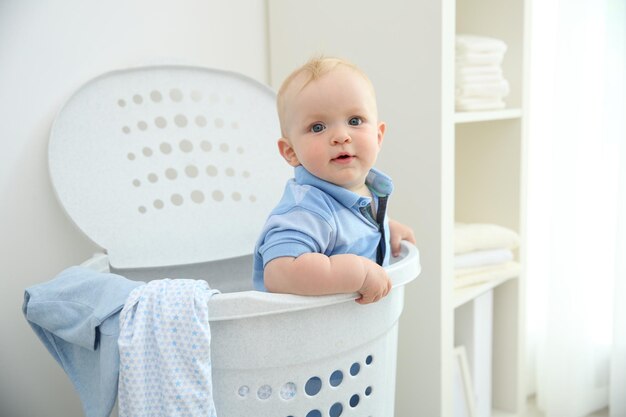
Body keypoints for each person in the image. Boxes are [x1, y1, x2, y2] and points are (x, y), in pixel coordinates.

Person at [253, 57, 415, 304]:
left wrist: (385, 227)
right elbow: (280, 271)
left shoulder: (362, 190)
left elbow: (349, 226)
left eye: (354, 121)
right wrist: (356, 273)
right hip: (302, 337)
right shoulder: (307, 210)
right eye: (318, 127)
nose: (341, 136)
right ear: (291, 152)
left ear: (378, 136)